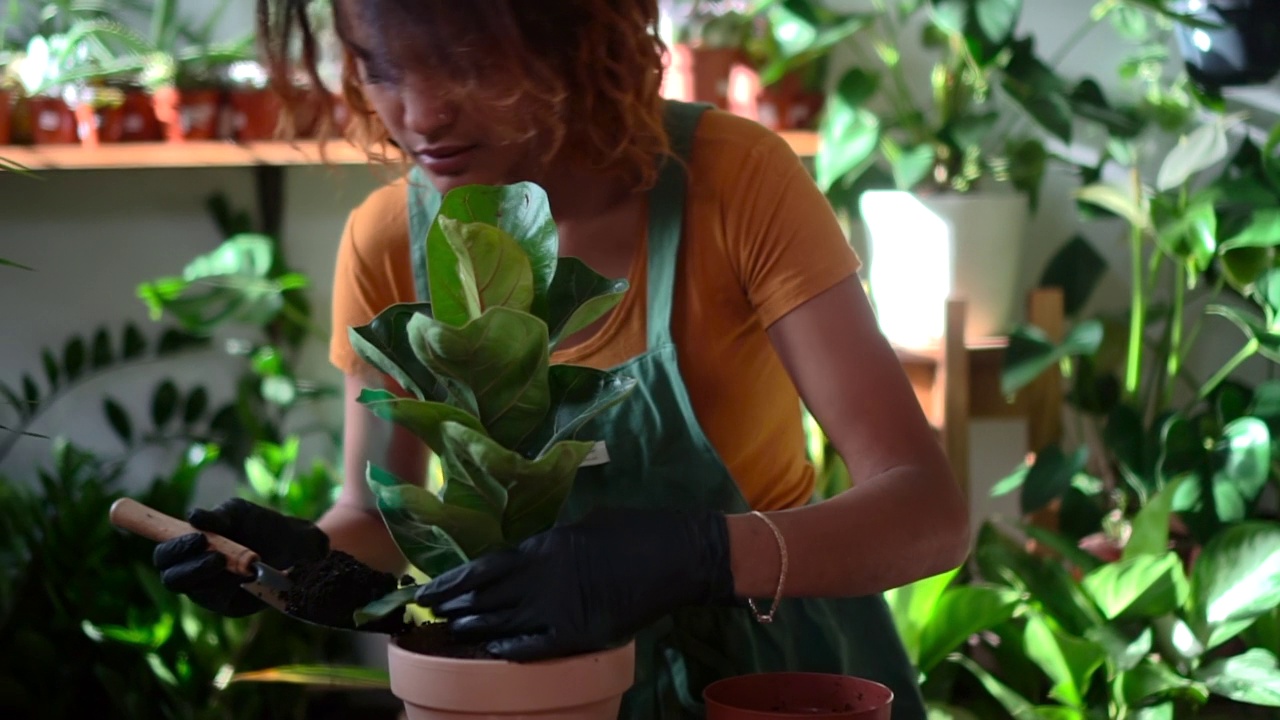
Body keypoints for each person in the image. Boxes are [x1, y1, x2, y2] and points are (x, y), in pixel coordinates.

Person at [151, 1, 970, 717]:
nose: (422, 112)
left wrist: (698, 556)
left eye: (467, 63)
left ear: (572, 29)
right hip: (532, 698)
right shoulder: (389, 244)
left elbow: (926, 516)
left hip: (768, 685)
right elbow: (372, 524)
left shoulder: (732, 182)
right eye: (381, 67)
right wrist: (289, 566)